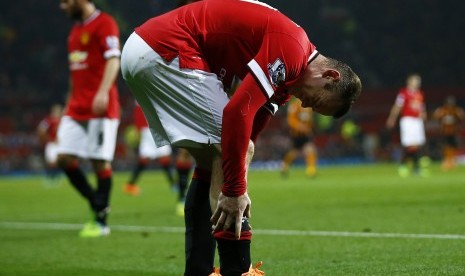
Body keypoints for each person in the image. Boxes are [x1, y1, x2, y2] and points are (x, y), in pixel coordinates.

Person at [121, 0, 361, 274]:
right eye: (317, 101)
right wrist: (235, 191)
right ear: (329, 75)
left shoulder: (289, 74)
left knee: (214, 162)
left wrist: (238, 170)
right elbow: (236, 113)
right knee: (226, 154)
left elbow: (251, 129)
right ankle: (238, 269)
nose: (306, 107)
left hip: (148, 49)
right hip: (166, 48)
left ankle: (199, 269)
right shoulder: (292, 50)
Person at [57, 0, 121, 237]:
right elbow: (75, 73)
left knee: (99, 162)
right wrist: (67, 104)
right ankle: (98, 201)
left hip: (100, 106)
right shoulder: (74, 32)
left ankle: (100, 222)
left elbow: (114, 59)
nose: (62, 7)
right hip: (76, 107)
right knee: (62, 158)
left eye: (65, 1)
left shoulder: (105, 23)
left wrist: (103, 91)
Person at [123, 102, 193, 216]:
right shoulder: (143, 90)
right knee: (149, 158)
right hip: (149, 128)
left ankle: (174, 186)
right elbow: (139, 108)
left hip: (156, 126)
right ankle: (130, 185)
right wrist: (138, 127)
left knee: (164, 158)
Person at [386, 74, 429, 177]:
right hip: (408, 120)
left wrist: (424, 115)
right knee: (410, 145)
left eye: (418, 81)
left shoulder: (420, 94)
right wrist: (392, 118)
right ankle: (413, 167)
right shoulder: (403, 93)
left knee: (417, 145)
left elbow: (421, 107)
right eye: (415, 81)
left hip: (417, 121)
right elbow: (397, 106)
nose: (417, 83)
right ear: (409, 82)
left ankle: (406, 165)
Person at [281, 97, 318, 177]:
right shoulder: (294, 105)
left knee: (310, 150)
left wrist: (309, 128)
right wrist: (299, 126)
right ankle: (284, 167)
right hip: (296, 134)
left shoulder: (308, 105)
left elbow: (309, 119)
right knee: (293, 152)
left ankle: (311, 170)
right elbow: (291, 120)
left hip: (306, 134)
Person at [433, 95, 465, 170]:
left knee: (452, 146)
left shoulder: (456, 110)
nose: (450, 104)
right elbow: (436, 117)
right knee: (445, 146)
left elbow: (461, 117)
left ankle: (452, 160)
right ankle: (446, 161)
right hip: (444, 132)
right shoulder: (442, 110)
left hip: (453, 132)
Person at [37, 104, 63, 186]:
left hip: (60, 144)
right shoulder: (48, 120)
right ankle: (49, 178)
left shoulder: (62, 121)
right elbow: (40, 129)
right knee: (50, 162)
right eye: (57, 111)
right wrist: (49, 139)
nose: (58, 112)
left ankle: (56, 179)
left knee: (59, 162)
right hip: (51, 144)